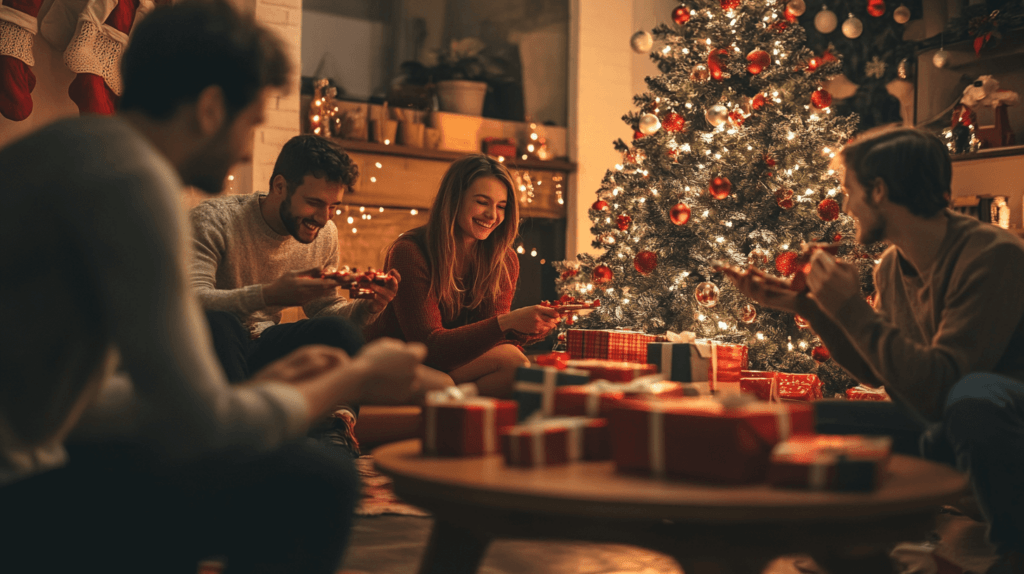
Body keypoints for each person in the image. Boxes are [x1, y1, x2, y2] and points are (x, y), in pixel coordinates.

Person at [0, 1, 427, 572]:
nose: (247, 146)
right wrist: (354, 378)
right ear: (209, 108)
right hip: (23, 496)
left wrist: (258, 391)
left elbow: (71, 401)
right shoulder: (134, 186)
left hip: (43, 454)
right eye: (251, 122)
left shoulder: (62, 153)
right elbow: (199, 430)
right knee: (314, 480)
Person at [724, 128, 1024, 563]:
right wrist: (808, 306)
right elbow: (875, 372)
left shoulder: (993, 254)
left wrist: (850, 307)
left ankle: (1014, 555)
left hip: (997, 418)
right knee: (802, 420)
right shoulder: (890, 267)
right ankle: (856, 557)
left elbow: (943, 388)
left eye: (850, 192)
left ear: (880, 191)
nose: (846, 207)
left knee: (971, 396)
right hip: (938, 420)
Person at [190, 134, 423, 456]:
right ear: (280, 187)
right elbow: (190, 300)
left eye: (333, 206)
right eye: (314, 203)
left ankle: (334, 431)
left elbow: (324, 307)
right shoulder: (214, 219)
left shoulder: (324, 234)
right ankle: (239, 441)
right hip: (215, 349)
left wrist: (367, 308)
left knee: (339, 331)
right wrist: (269, 294)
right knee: (220, 320)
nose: (324, 217)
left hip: (266, 348)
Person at [364, 154, 561, 397]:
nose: (492, 215)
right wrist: (509, 322)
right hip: (402, 359)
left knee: (514, 364)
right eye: (482, 202)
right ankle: (452, 400)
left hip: (450, 362)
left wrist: (532, 325)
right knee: (443, 384)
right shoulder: (410, 252)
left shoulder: (503, 259)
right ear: (454, 200)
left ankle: (455, 407)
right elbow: (428, 346)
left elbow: (489, 339)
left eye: (501, 206)